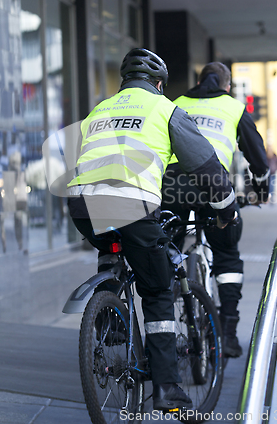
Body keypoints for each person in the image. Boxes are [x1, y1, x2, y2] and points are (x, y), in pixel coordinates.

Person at [66, 49, 237, 411]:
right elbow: (207, 166)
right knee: (158, 290)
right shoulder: (164, 109)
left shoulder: (100, 110)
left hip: (83, 206)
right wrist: (227, 209)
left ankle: (110, 309)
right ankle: (167, 389)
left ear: (124, 82)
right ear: (159, 84)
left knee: (114, 245)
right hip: (133, 205)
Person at [161, 61, 269, 359]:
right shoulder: (234, 107)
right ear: (228, 85)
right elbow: (256, 156)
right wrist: (260, 190)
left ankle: (165, 328)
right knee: (226, 254)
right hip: (213, 186)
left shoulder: (176, 103)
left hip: (171, 186)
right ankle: (229, 335)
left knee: (168, 250)